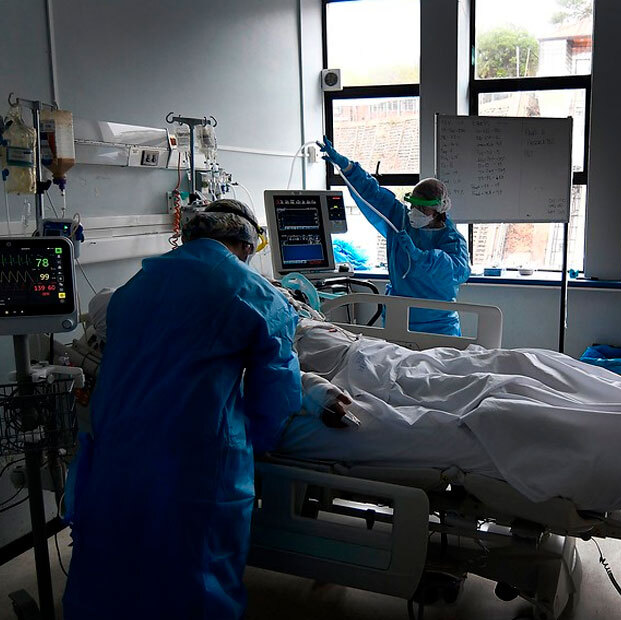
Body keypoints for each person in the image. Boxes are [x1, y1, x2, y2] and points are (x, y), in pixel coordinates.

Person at [62, 200, 346, 619]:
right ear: (245, 244)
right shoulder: (254, 293)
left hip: (117, 447)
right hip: (192, 458)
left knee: (114, 557)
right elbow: (275, 393)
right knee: (194, 570)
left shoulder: (135, 287)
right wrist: (263, 442)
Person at [319, 137, 470, 336]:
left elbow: (457, 271)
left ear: (437, 209)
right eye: (413, 205)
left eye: (421, 207)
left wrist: (422, 257)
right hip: (398, 316)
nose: (414, 211)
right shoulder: (400, 222)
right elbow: (372, 194)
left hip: (439, 325)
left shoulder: (452, 240)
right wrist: (347, 167)